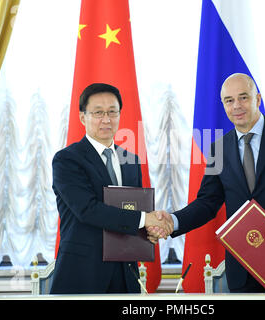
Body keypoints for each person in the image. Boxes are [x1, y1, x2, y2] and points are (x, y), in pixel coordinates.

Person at [150, 73, 265, 293]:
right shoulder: (218, 149)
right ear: (223, 105)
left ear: (258, 99)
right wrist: (172, 221)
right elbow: (207, 203)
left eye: (243, 98)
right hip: (242, 272)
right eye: (229, 101)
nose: (236, 106)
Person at [50, 83, 173, 294]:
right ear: (82, 117)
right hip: (82, 274)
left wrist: (149, 230)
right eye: (98, 113)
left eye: (112, 112)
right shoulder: (67, 160)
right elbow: (88, 210)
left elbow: (134, 209)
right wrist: (145, 219)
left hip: (125, 274)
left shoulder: (131, 161)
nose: (106, 119)